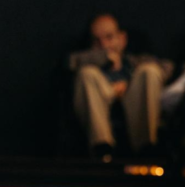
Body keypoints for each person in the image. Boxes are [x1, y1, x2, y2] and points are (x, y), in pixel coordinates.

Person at [72, 14, 172, 160]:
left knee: (149, 70)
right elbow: (69, 62)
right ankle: (102, 150)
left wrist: (127, 85)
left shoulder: (136, 61)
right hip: (102, 99)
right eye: (97, 41)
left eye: (109, 37)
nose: (104, 45)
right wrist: (104, 59)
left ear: (122, 38)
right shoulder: (86, 64)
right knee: (87, 73)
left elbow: (168, 68)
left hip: (133, 100)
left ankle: (147, 151)